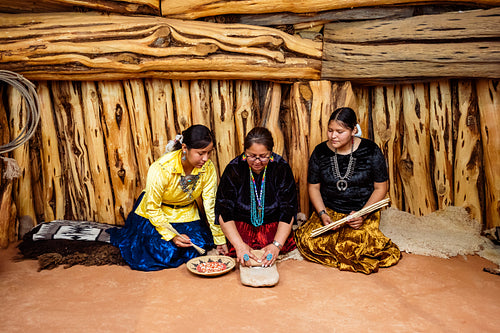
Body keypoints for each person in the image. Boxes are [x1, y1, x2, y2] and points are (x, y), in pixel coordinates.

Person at [294, 107, 401, 274]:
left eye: (340, 131)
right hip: (330, 210)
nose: (333, 136)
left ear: (354, 130)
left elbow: (381, 187)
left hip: (362, 211)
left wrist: (362, 215)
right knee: (310, 240)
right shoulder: (320, 151)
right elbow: (314, 187)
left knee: (360, 246)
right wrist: (322, 214)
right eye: (330, 130)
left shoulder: (371, 150)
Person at [108, 125, 227, 271]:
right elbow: (152, 207)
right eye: (201, 153)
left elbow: (210, 205)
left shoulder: (207, 168)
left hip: (185, 212)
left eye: (209, 153)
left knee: (196, 245)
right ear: (184, 148)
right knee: (163, 251)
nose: (206, 158)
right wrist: (171, 235)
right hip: (156, 213)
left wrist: (219, 239)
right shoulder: (162, 168)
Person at [215, 127, 297, 267]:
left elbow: (288, 210)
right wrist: (239, 245)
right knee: (244, 255)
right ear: (244, 150)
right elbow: (224, 211)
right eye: (252, 156)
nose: (257, 161)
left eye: (263, 156)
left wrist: (276, 245)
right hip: (242, 229)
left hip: (274, 228)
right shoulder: (234, 169)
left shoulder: (280, 167)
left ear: (271, 151)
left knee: (272, 251)